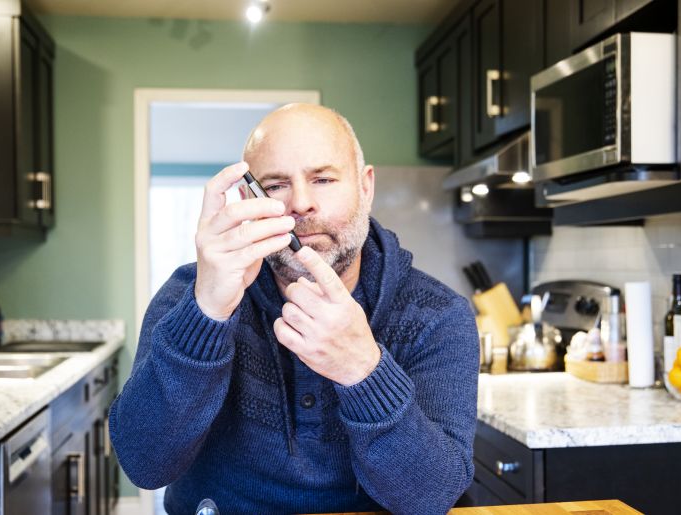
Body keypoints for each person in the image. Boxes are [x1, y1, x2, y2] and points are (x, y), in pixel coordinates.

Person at [110, 104, 479, 514]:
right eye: (276, 185)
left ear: (365, 186)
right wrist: (206, 314)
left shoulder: (437, 314)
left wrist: (362, 370)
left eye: (323, 179)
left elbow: (432, 498)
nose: (301, 204)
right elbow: (144, 465)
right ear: (249, 198)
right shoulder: (189, 293)